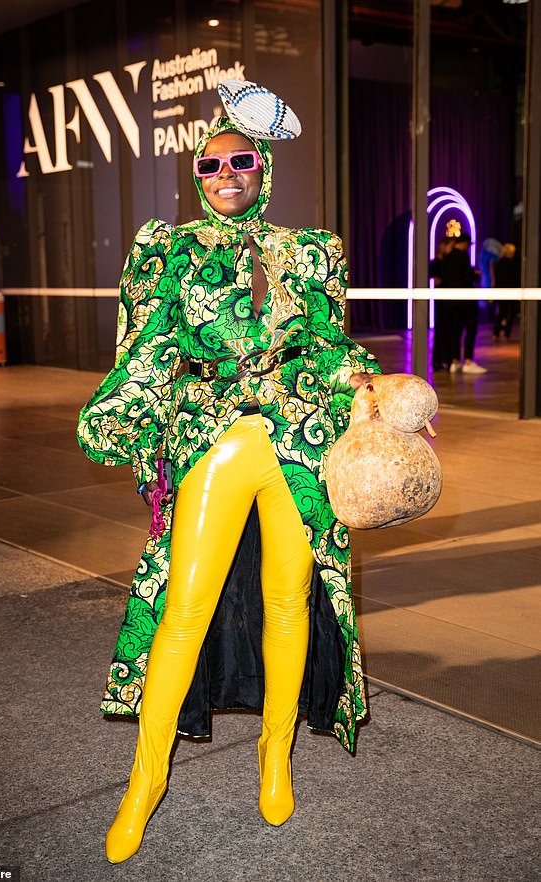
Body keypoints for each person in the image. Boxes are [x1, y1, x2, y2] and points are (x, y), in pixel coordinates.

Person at [77, 112, 381, 863]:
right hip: (211, 440)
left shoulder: (311, 251)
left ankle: (274, 758)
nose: (224, 176)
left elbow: (329, 342)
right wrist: (120, 406)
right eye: (209, 167)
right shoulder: (167, 251)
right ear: (196, 177)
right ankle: (144, 783)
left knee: (288, 601)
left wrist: (369, 386)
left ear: (264, 167)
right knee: (183, 607)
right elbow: (148, 348)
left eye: (239, 161)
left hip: (297, 441)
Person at [439, 232, 485, 374]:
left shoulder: (447, 257)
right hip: (466, 301)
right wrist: (476, 274)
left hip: (451, 301)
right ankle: (468, 361)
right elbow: (468, 276)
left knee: (455, 331)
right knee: (470, 330)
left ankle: (455, 361)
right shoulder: (463, 256)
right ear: (465, 244)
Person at [429, 236, 455, 371]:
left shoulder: (449, 262)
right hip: (442, 302)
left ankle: (447, 360)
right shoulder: (438, 263)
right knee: (441, 332)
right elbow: (437, 280)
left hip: (448, 300)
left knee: (449, 332)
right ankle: (438, 361)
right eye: (450, 246)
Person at [492, 242, 520, 342]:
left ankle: (496, 333)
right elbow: (514, 278)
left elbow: (496, 278)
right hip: (510, 291)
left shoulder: (498, 263)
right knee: (510, 313)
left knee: (501, 312)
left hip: (501, 291)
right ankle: (506, 333)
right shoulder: (511, 264)